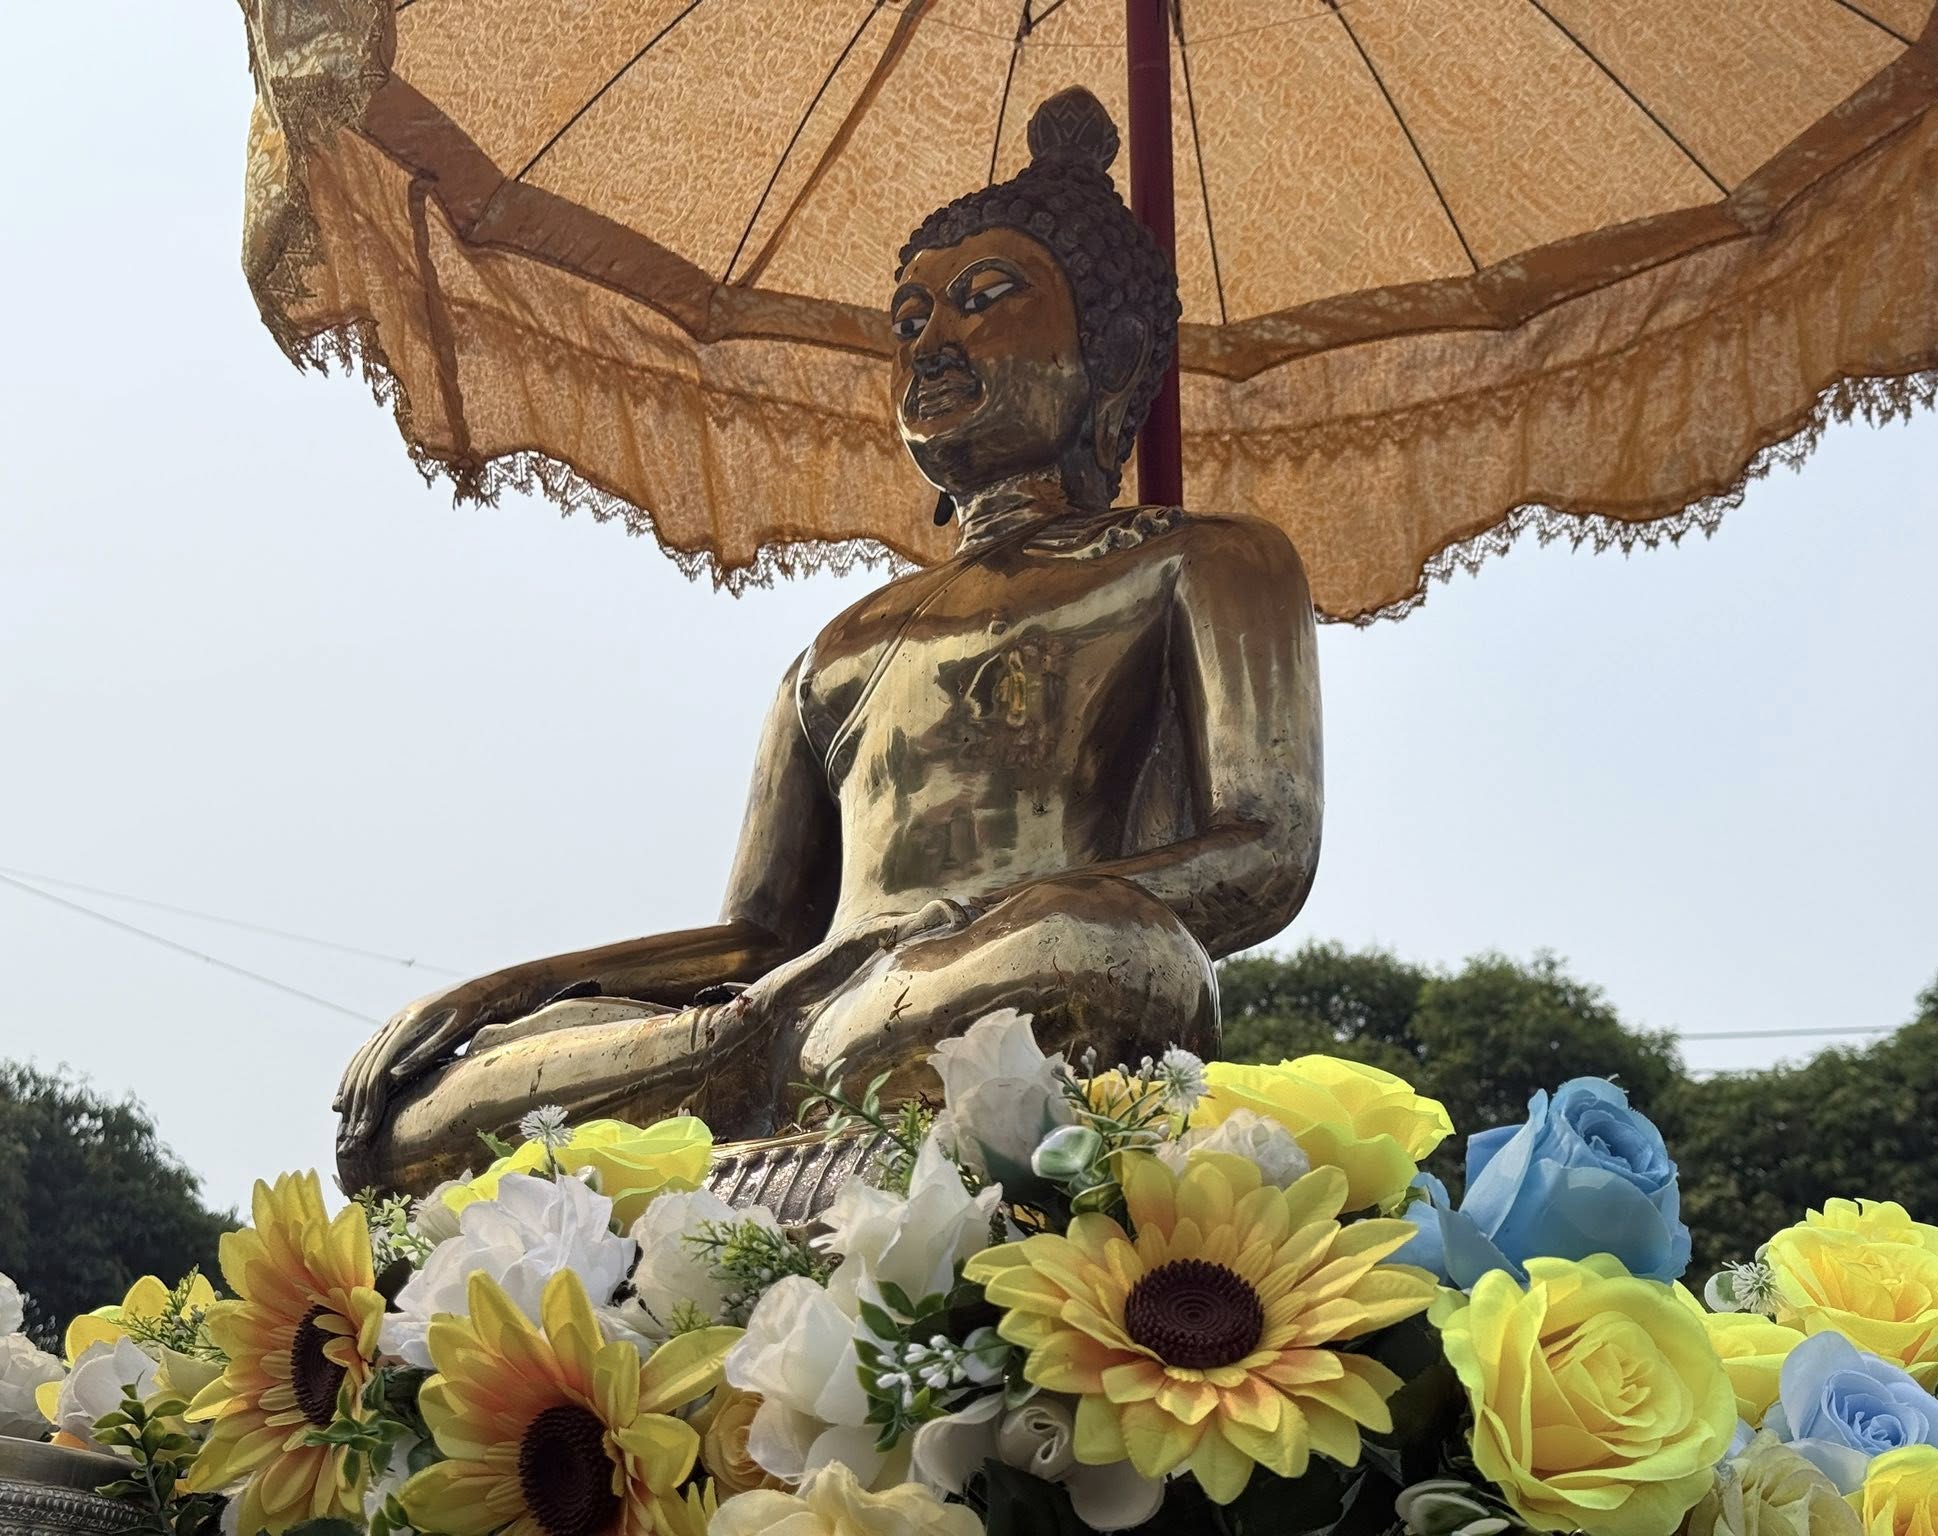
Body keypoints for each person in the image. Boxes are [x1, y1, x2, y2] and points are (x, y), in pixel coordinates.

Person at [333, 89, 1322, 1193]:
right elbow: (757, 939)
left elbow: (1262, 854)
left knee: (1115, 956)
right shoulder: (839, 648)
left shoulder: (1206, 560)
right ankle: (782, 1111)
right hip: (797, 1014)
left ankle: (760, 1132)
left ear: (1118, 354)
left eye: (984, 301)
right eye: (909, 321)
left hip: (975, 984)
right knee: (413, 1115)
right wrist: (503, 994)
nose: (932, 344)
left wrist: (942, 927)